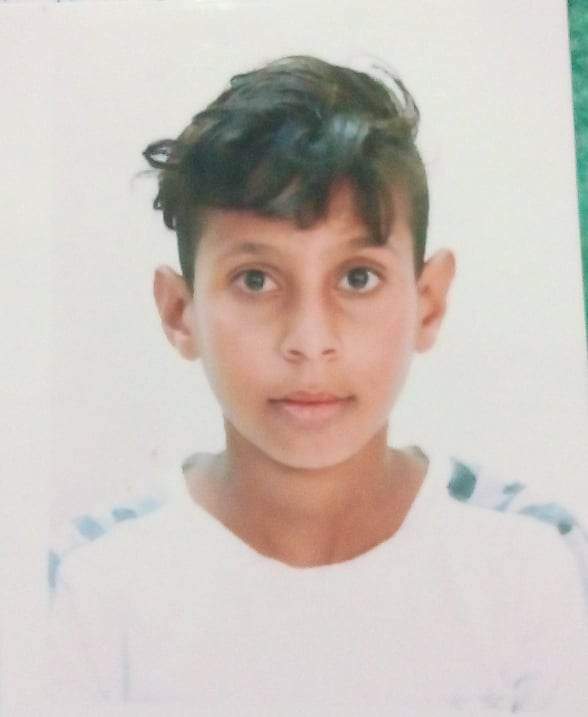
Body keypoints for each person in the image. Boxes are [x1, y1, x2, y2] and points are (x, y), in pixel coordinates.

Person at [47, 56, 587, 712]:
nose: (309, 339)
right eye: (255, 280)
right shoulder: (90, 589)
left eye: (358, 278)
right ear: (180, 313)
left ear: (429, 303)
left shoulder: (532, 568)